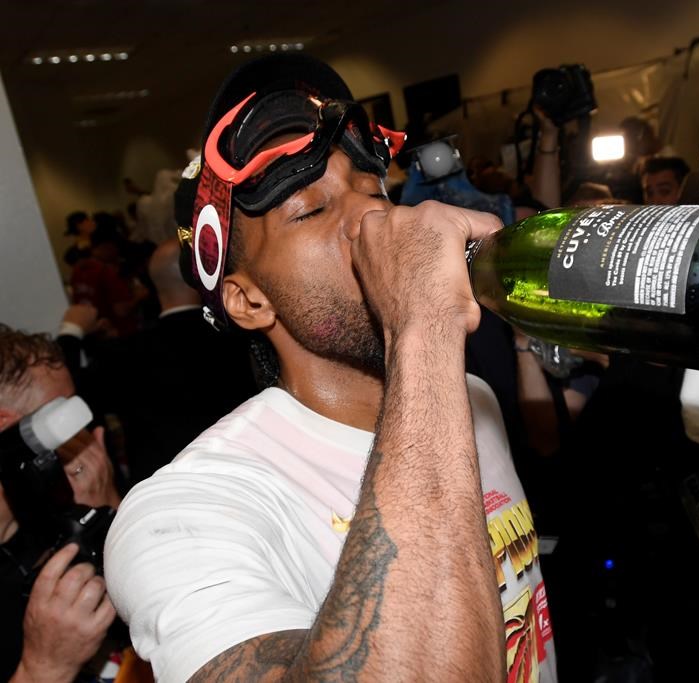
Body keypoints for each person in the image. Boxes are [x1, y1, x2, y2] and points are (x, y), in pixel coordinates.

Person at [104, 53, 555, 682]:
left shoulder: (467, 399)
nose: (372, 220)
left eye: (373, 192)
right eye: (311, 211)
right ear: (249, 300)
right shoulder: (185, 513)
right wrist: (424, 327)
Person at [60, 240, 258, 486]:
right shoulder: (243, 338)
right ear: (204, 279)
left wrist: (71, 333)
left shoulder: (127, 354)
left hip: (162, 490)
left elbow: (69, 401)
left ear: (150, 286)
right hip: (245, 476)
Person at [0, 324, 121, 682]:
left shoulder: (50, 510)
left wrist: (109, 513)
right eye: (59, 414)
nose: (77, 434)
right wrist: (44, 667)